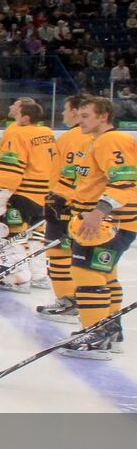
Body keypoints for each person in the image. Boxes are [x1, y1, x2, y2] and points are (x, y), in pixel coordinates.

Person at [58, 96, 137, 358]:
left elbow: (125, 181)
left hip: (110, 222)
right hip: (105, 221)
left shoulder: (111, 140)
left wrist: (99, 211)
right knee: (105, 274)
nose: (79, 120)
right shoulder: (96, 141)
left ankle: (96, 333)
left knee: (86, 272)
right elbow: (91, 183)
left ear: (103, 116)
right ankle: (110, 330)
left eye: (85, 116)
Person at [0, 97, 55, 293]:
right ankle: (39, 275)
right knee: (37, 236)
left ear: (26, 117)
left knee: (9, 234)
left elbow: (11, 169)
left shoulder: (18, 134)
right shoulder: (47, 133)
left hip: (22, 194)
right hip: (44, 195)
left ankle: (17, 279)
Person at [37, 95, 91, 321]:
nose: (62, 113)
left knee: (58, 253)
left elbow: (70, 174)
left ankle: (68, 300)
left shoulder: (73, 138)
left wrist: (58, 199)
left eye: (65, 109)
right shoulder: (93, 137)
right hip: (82, 206)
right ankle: (77, 301)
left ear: (76, 112)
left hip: (66, 205)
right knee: (77, 256)